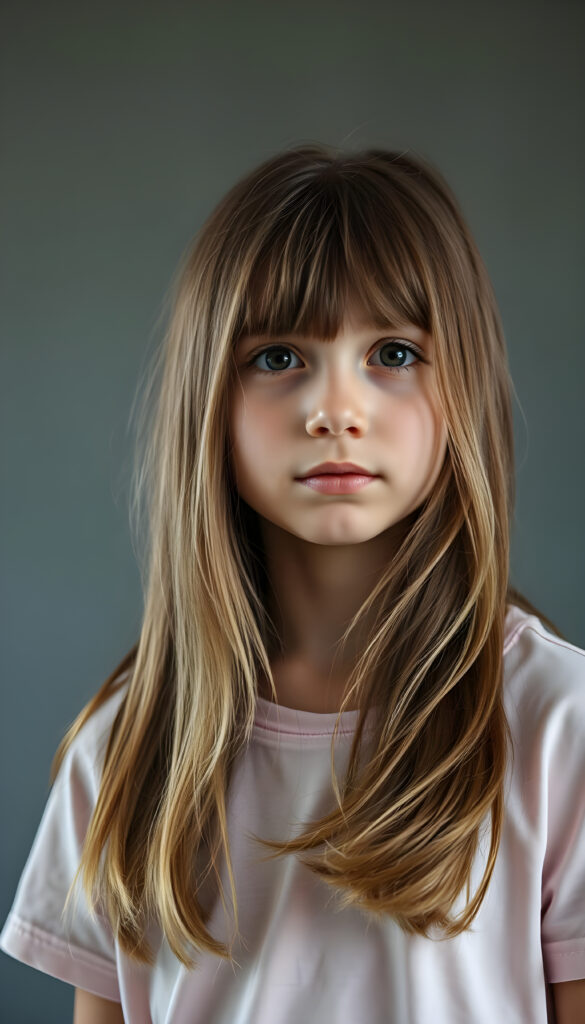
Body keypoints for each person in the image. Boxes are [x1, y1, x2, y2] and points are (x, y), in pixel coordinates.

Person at [2, 145, 584, 1024]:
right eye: (277, 357)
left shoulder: (557, 725)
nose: (333, 409)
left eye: (392, 351)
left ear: (463, 385)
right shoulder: (125, 746)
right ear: (209, 398)